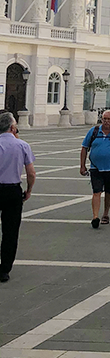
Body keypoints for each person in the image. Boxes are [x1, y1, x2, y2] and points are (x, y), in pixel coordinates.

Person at [0, 112, 35, 283]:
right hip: (13, 191)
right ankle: (4, 269)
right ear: (13, 127)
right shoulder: (22, 145)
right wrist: (28, 190)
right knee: (10, 231)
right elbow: (31, 173)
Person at [80, 109, 110, 228]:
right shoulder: (94, 131)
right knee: (96, 191)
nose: (106, 121)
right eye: (104, 119)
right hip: (95, 167)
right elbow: (84, 148)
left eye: (109, 119)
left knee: (109, 192)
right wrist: (82, 165)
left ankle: (105, 214)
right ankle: (95, 217)